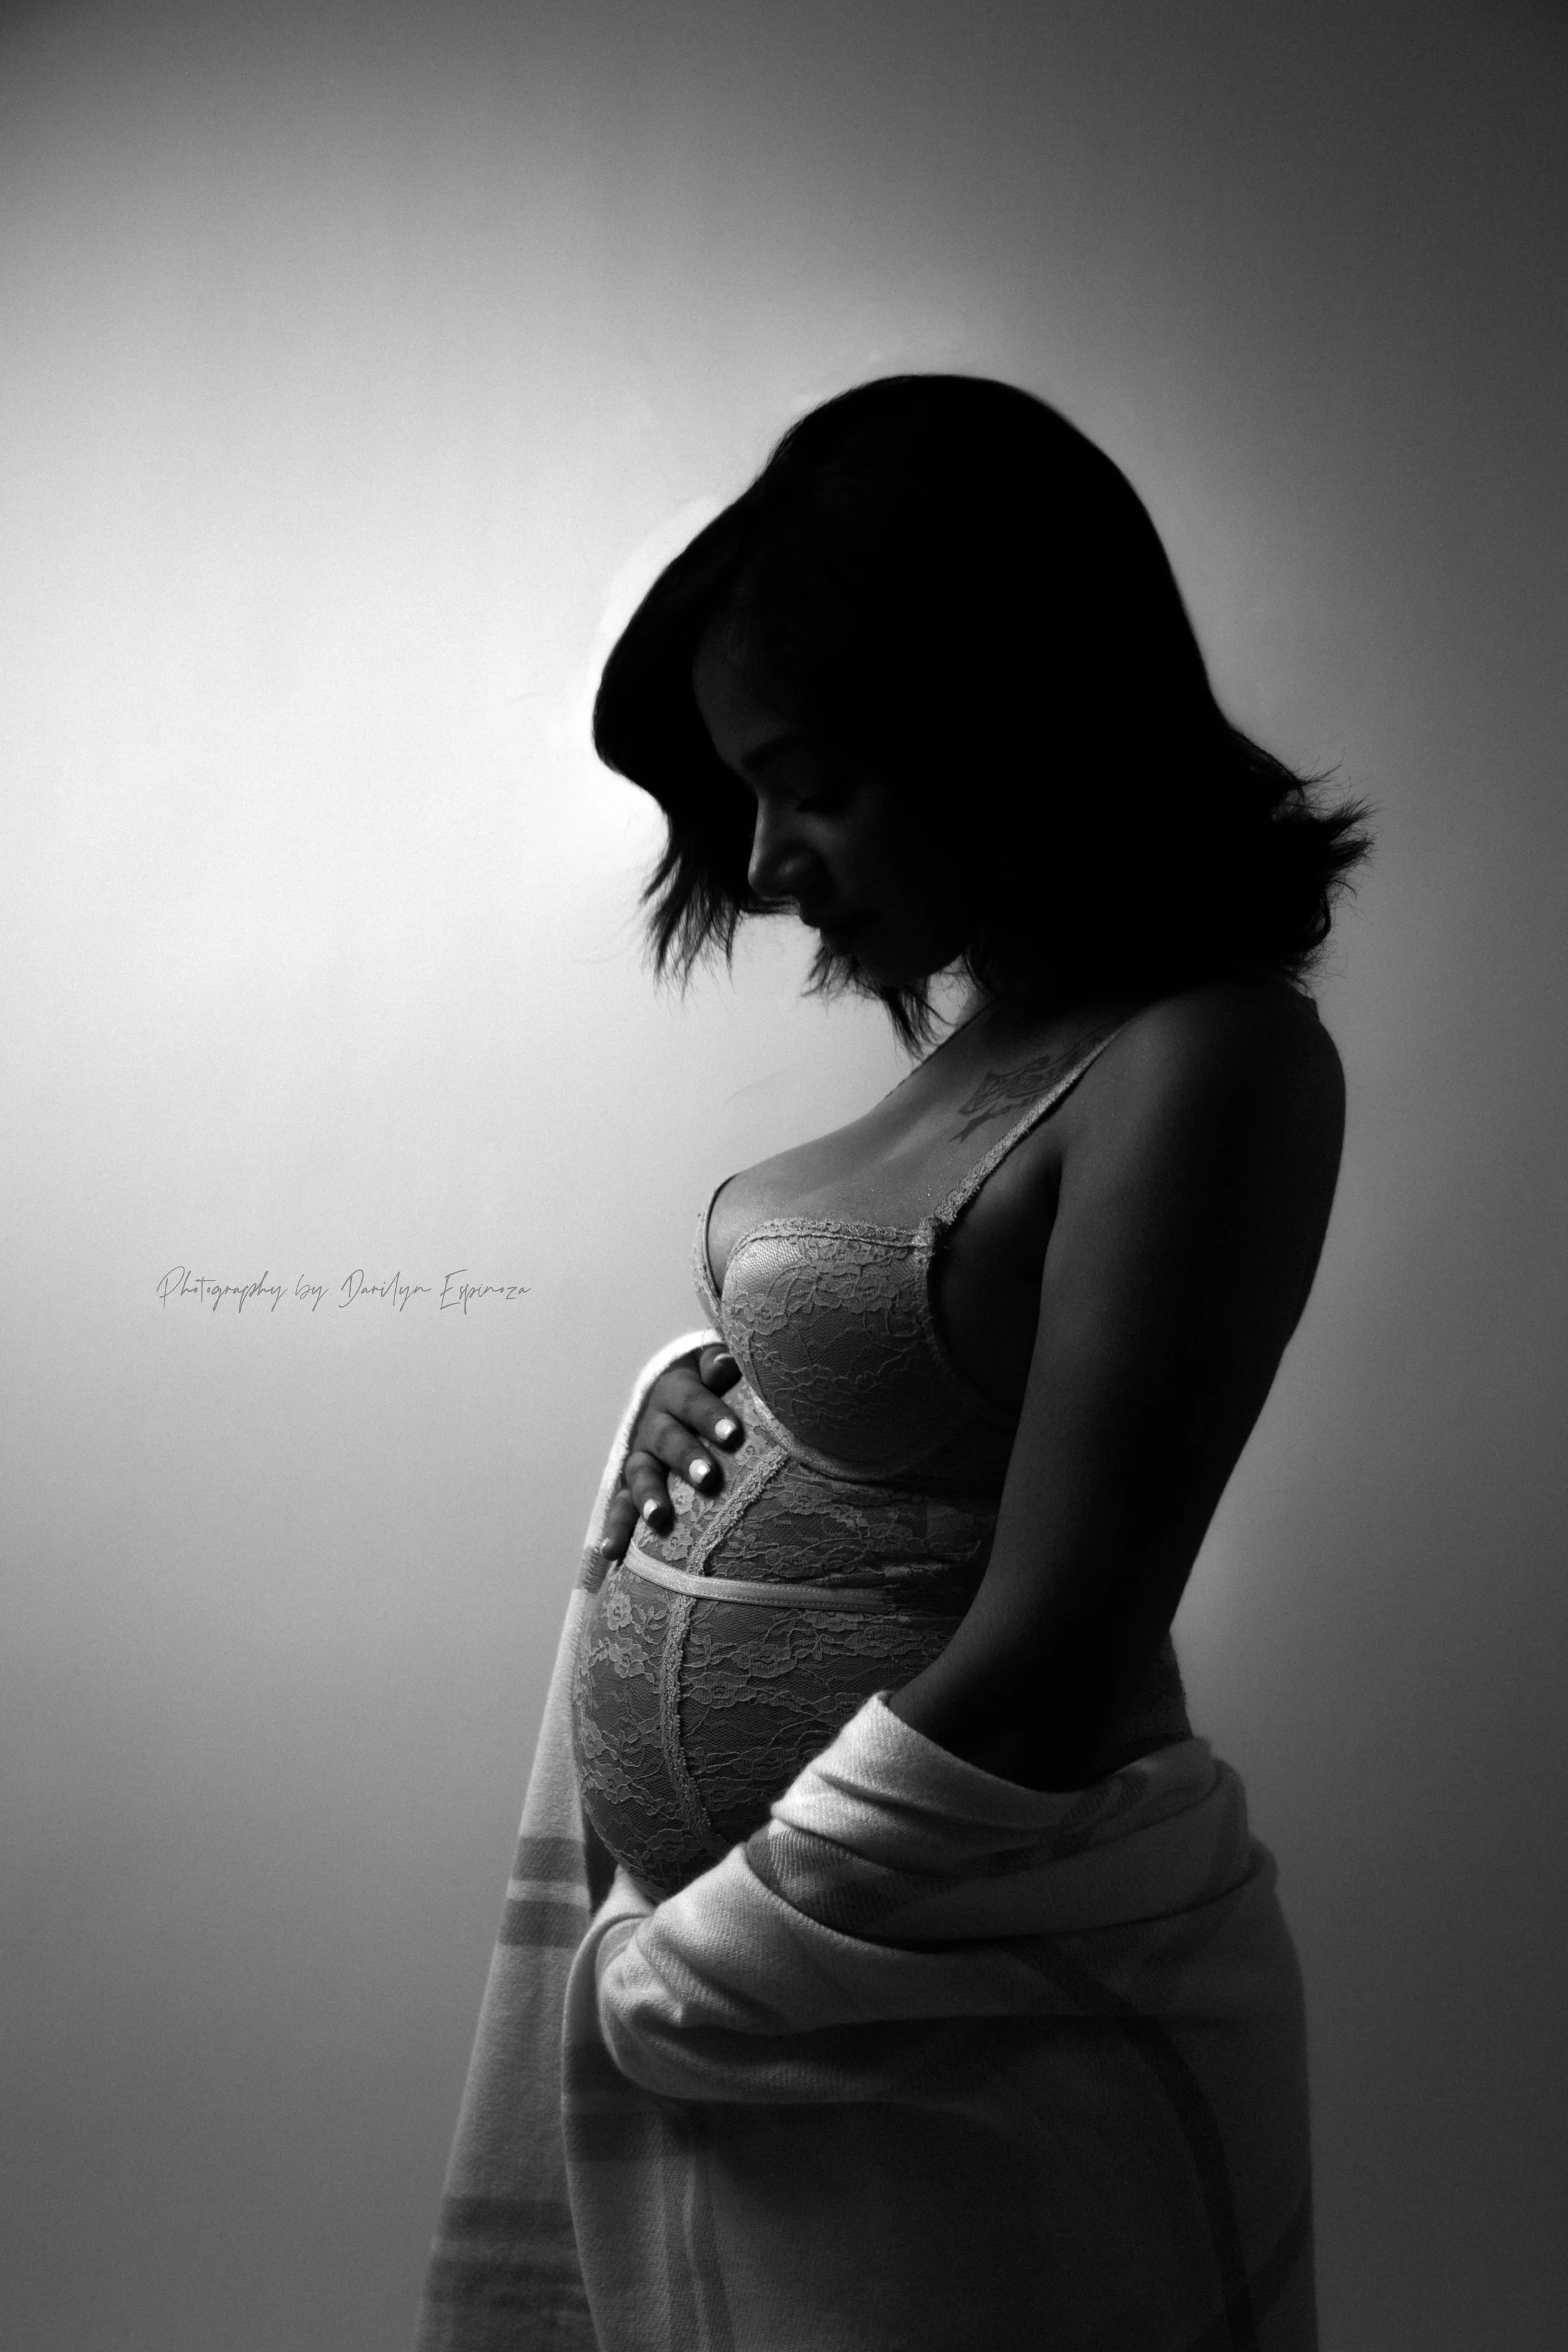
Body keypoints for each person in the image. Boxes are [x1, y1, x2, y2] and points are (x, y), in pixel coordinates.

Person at [416, 374, 1369, 2352]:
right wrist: (715, 1386)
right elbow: (939, 1383)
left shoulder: (1207, 1062)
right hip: (780, 2021)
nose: (762, 862)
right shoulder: (991, 1047)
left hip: (963, 2024)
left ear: (1011, 721)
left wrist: (717, 1959)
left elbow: (1064, 1643)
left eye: (814, 781)